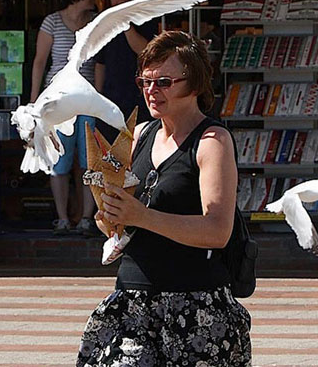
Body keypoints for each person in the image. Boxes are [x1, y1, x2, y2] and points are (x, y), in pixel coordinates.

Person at [77, 31, 252, 366]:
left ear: (196, 84)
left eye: (165, 82)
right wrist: (109, 216)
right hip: (133, 302)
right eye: (145, 81)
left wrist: (141, 216)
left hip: (195, 307)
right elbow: (119, 225)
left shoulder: (212, 141)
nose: (151, 92)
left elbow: (217, 230)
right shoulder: (140, 135)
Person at [30, 0, 97, 236]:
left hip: (88, 100)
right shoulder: (52, 22)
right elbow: (40, 61)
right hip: (58, 100)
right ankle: (62, 218)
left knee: (89, 160)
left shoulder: (93, 23)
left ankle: (85, 218)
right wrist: (35, 100)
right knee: (60, 160)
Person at [94, 0, 157, 143]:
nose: (120, 1)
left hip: (138, 97)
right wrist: (97, 98)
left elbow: (145, 50)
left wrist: (125, 23)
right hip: (110, 98)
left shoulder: (144, 17)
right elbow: (100, 63)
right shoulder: (102, 21)